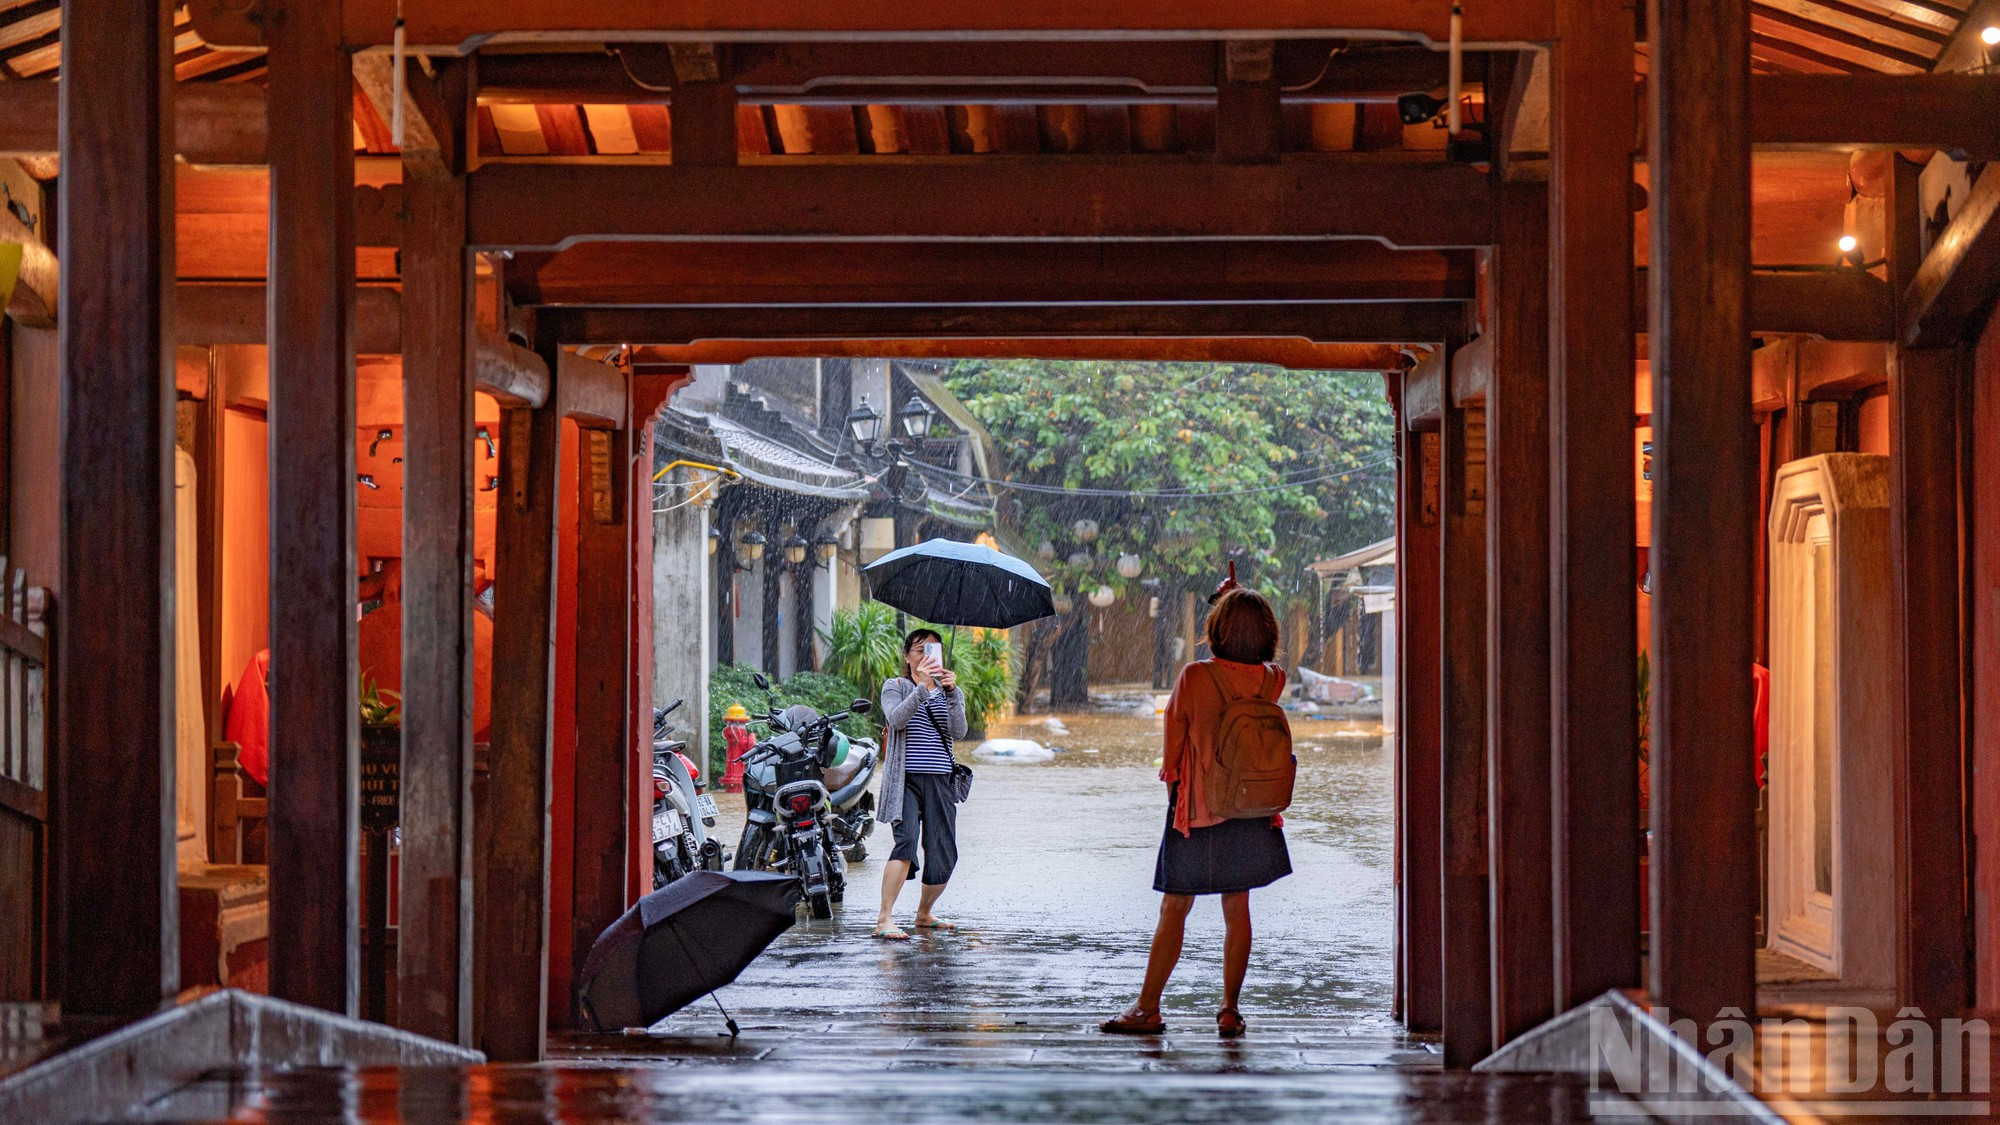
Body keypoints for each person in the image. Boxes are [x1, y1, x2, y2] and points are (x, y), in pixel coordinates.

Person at [1102, 586, 1292, 1039]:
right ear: (1268, 632)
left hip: (1199, 811)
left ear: (1215, 629)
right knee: (1237, 907)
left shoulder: (1193, 676)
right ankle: (1229, 1010)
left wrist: (1178, 795)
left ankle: (1148, 1009)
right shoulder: (1273, 679)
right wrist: (1237, 601)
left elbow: (1172, 756)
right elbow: (1244, 657)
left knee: (1174, 908)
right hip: (1251, 808)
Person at [873, 627, 968, 940]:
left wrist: (952, 693)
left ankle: (924, 913)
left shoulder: (949, 690)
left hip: (940, 779)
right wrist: (922, 688)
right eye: (919, 650)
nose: (926, 655)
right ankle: (884, 918)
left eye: (932, 649)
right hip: (906, 781)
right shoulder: (896, 686)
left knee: (943, 851)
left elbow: (959, 731)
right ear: (907, 656)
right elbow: (896, 719)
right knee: (906, 843)